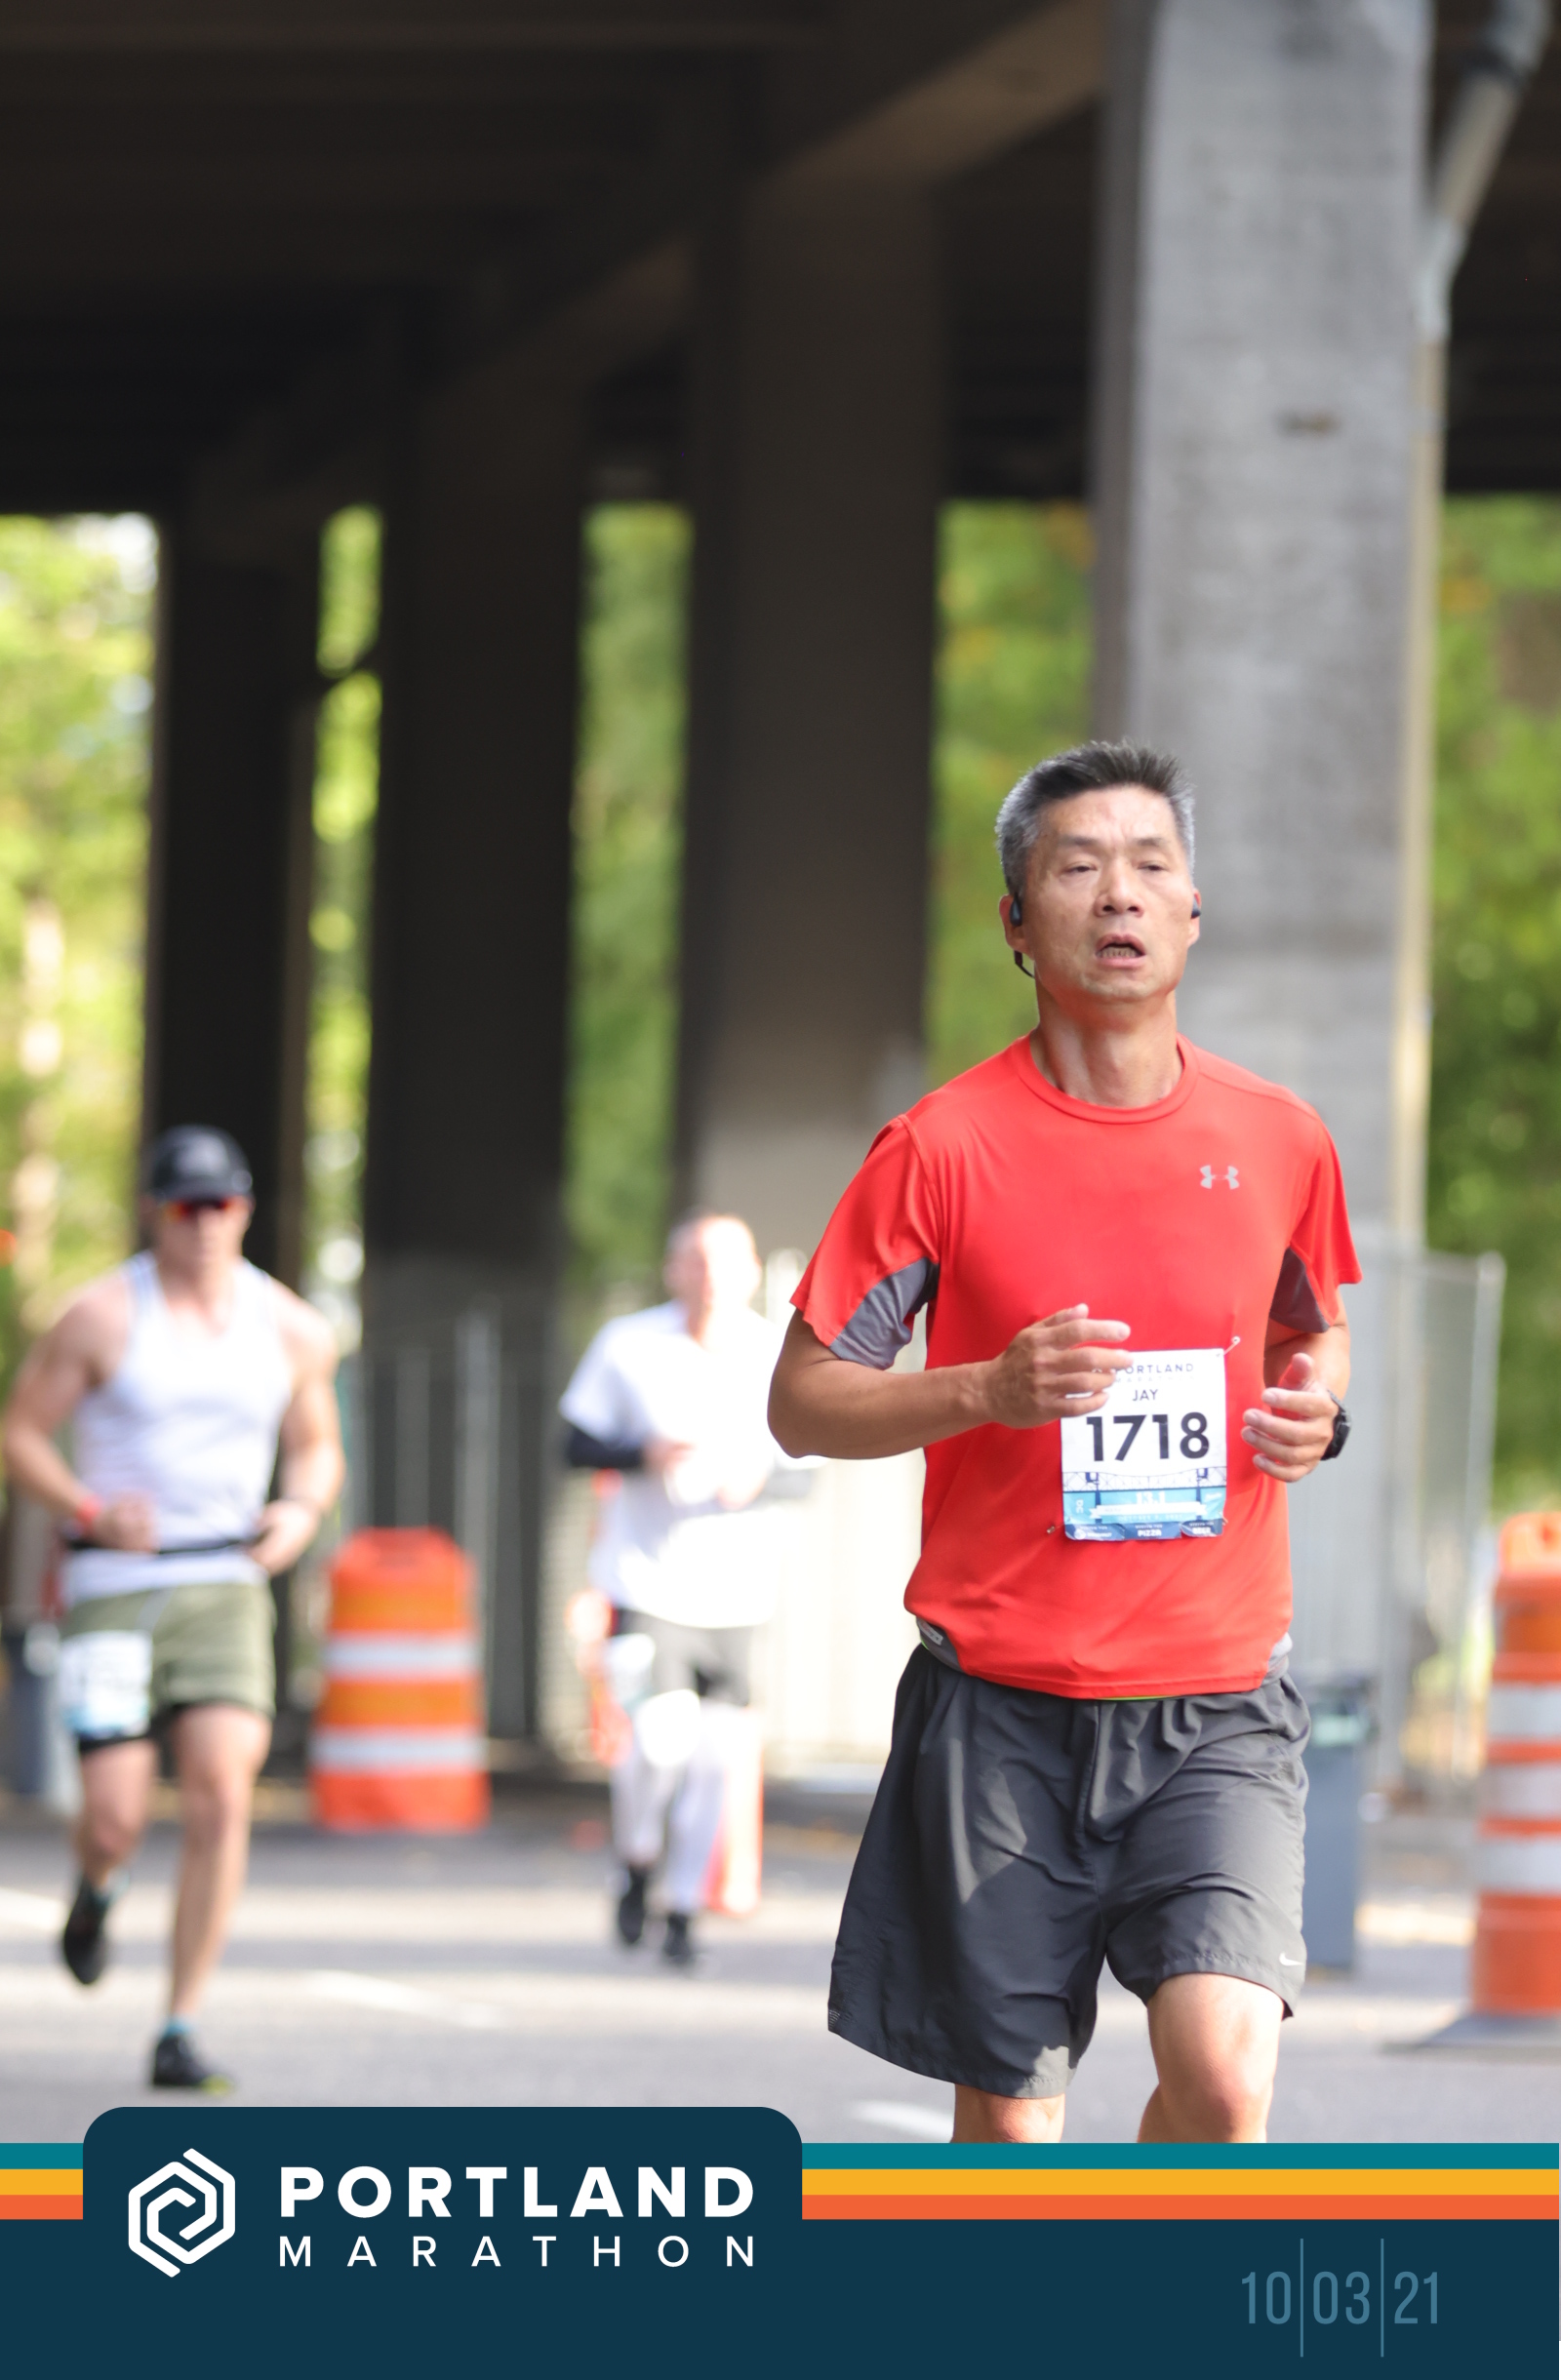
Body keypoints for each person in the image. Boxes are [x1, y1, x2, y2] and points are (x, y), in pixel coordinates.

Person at [769, 741, 1358, 2144]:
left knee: (1224, 2076)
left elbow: (1313, 1328)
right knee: (1013, 2124)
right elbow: (803, 1399)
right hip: (1002, 1713)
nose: (1119, 894)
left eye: (1151, 865)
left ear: (1193, 912)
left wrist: (1316, 1406)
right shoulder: (940, 1148)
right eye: (1078, 866)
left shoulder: (1280, 1138)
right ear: (1017, 923)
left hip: (1217, 1700)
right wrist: (986, 1389)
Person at [2, 1125, 342, 2090]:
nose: (204, 1223)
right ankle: (97, 1884)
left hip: (225, 1582)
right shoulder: (101, 1316)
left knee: (222, 1792)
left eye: (220, 1204)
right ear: (156, 1211)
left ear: (244, 1209)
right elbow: (20, 1434)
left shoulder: (290, 1327)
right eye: (186, 1206)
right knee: (113, 1816)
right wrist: (86, 1509)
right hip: (116, 1587)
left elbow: (316, 1444)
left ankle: (179, 2023)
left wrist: (301, 1509)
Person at [560, 1212, 801, 1967]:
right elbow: (574, 1441)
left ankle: (684, 1908)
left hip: (737, 1594)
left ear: (752, 1272)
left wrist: (761, 1476)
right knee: (657, 1744)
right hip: (646, 1583)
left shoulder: (776, 1352)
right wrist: (643, 1452)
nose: (712, 1276)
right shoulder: (629, 1345)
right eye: (696, 1260)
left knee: (714, 1762)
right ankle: (636, 1858)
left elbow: (810, 1466)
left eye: (727, 1262)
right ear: (673, 1270)